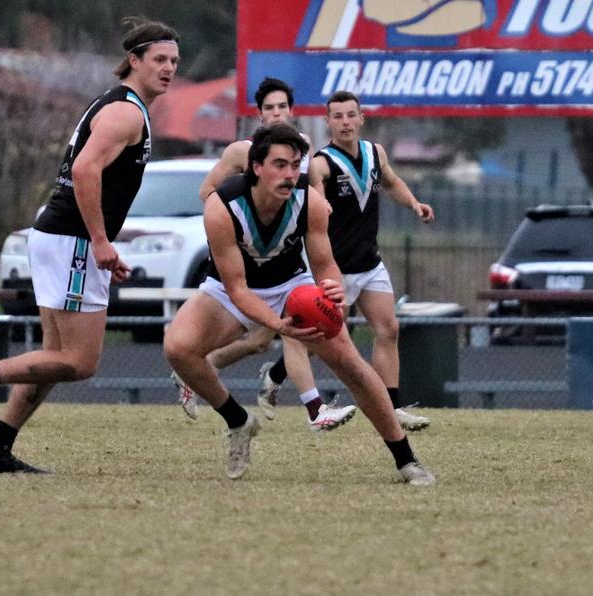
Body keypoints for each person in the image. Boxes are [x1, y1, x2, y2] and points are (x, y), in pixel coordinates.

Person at [0, 17, 180, 472]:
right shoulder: (126, 111)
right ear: (134, 61)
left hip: (60, 236)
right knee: (79, 362)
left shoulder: (125, 108)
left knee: (53, 358)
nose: (168, 68)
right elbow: (85, 171)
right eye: (159, 60)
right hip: (73, 240)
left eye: (173, 61)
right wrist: (100, 241)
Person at [164, 122, 435, 486]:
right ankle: (238, 420)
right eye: (279, 164)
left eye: (295, 165)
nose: (290, 174)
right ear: (256, 167)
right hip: (231, 289)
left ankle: (407, 460)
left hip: (293, 284)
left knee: (351, 365)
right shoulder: (222, 206)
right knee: (178, 347)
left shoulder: (310, 202)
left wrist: (333, 290)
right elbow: (238, 289)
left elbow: (325, 265)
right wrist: (277, 327)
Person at [171, 77, 356, 433]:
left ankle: (219, 371)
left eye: (282, 107)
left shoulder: (303, 147)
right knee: (286, 333)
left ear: (292, 111)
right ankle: (312, 408)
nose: (276, 113)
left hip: (285, 261)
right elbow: (208, 191)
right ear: (259, 115)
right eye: (269, 108)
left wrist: (321, 204)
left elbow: (312, 188)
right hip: (245, 265)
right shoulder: (242, 152)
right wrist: (238, 221)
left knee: (267, 339)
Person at [264, 90, 434, 432]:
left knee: (388, 329)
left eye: (350, 115)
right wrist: (321, 205)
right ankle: (275, 373)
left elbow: (392, 182)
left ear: (361, 118)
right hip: (335, 269)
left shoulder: (376, 152)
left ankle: (393, 406)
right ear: (327, 122)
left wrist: (414, 203)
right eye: (337, 116)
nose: (345, 122)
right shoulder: (321, 162)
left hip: (369, 264)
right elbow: (314, 197)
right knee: (319, 339)